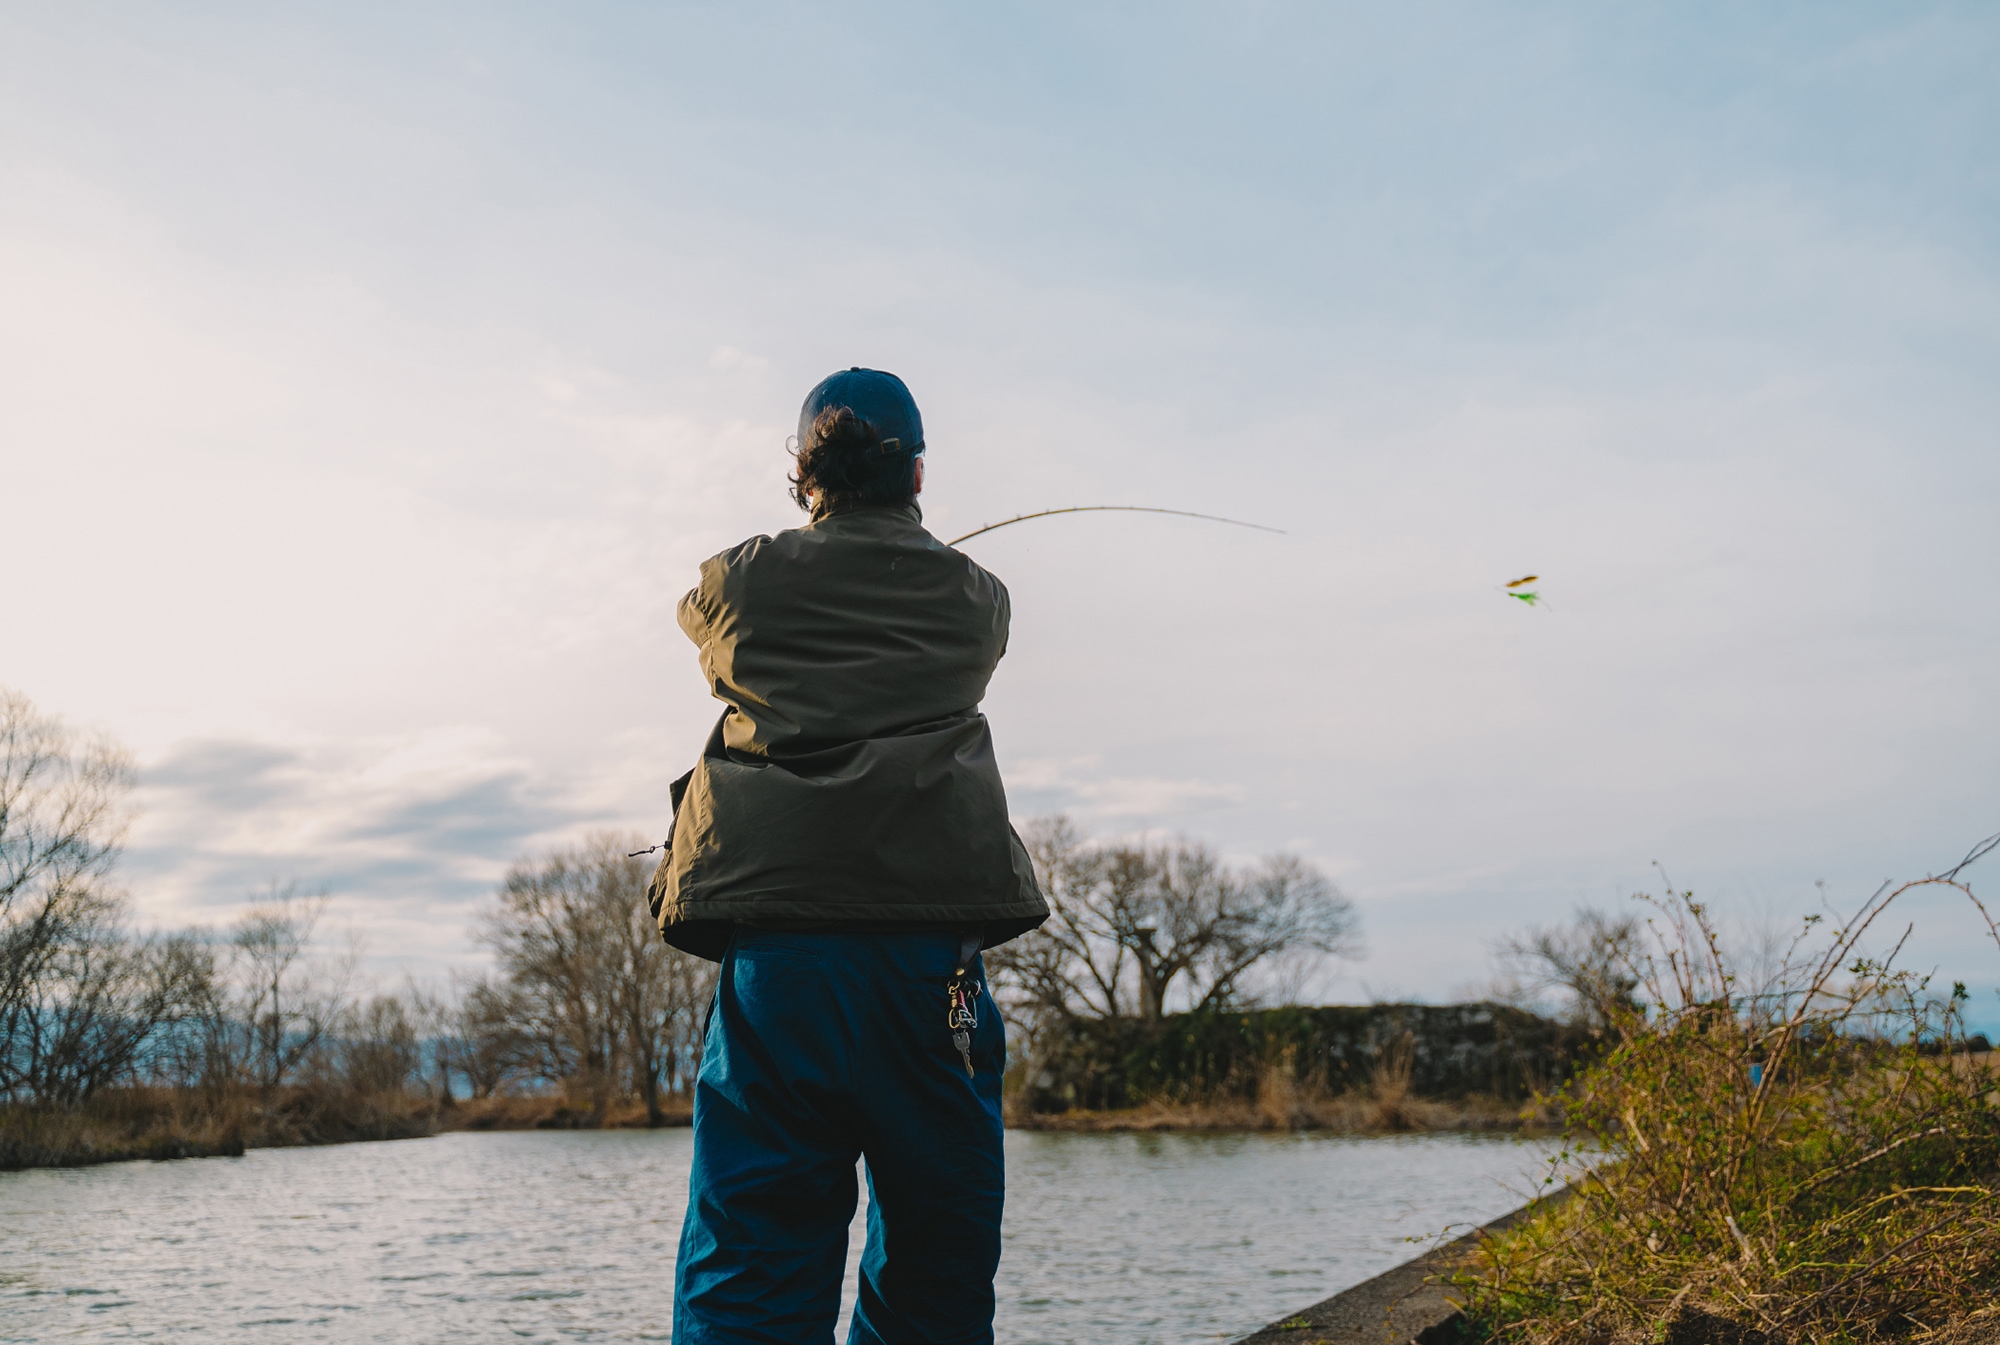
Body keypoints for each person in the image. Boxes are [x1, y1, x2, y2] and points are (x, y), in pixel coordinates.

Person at [649, 367, 1048, 1345]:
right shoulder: (974, 600)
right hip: (940, 978)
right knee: (938, 1244)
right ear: (916, 473)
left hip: (779, 969)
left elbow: (701, 618)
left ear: (802, 474)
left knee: (750, 1250)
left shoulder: (738, 582)